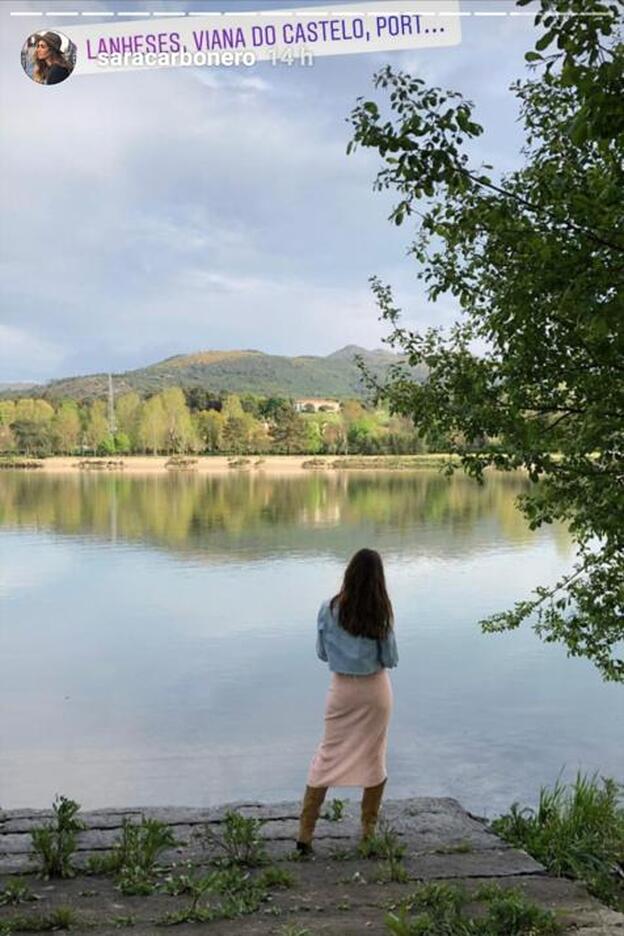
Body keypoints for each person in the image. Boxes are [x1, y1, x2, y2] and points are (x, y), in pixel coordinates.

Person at [297, 548, 399, 854]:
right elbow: (390, 658)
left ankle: (305, 833)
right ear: (378, 579)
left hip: (341, 691)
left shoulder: (327, 609)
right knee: (374, 756)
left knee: (327, 755)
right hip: (375, 692)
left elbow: (322, 653)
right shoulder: (381, 611)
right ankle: (367, 832)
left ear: (349, 574)